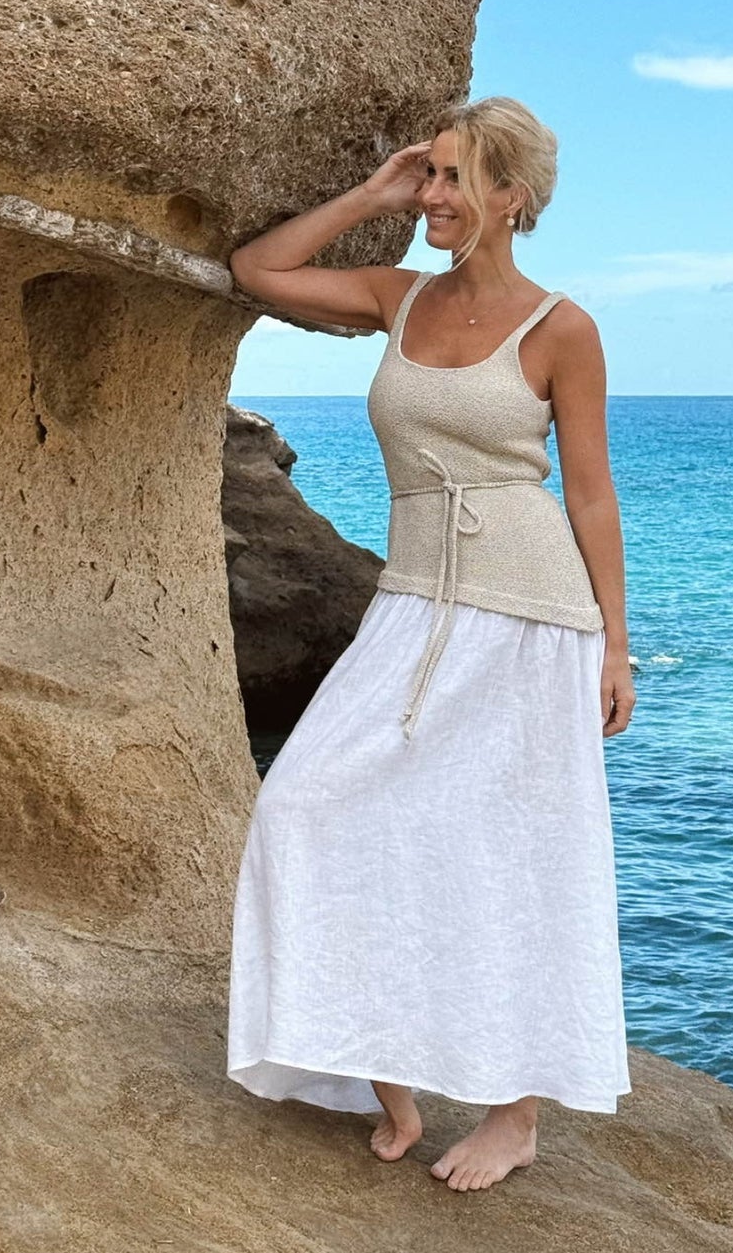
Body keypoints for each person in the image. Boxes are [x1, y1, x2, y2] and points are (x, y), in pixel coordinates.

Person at [224, 95, 635, 1192]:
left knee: (516, 852)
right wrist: (376, 193)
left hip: (535, 615)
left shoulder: (562, 329)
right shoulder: (395, 298)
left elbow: (591, 497)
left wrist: (615, 645)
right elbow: (258, 268)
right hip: (412, 605)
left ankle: (518, 1114)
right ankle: (385, 1066)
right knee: (304, 802)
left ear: (515, 198)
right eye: (433, 175)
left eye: (455, 180)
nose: (437, 197)